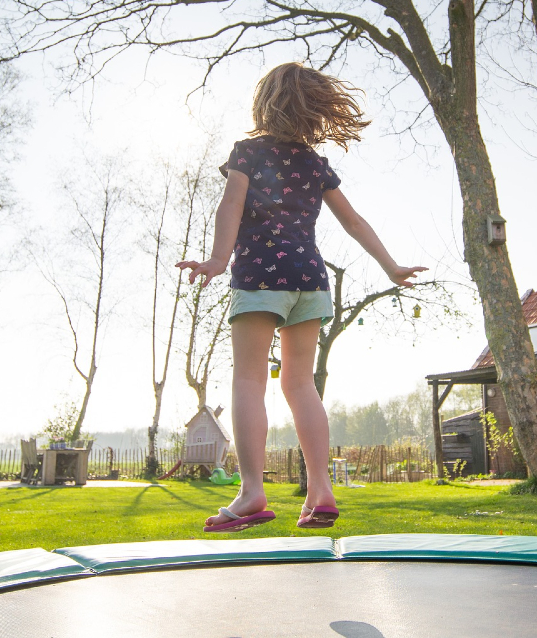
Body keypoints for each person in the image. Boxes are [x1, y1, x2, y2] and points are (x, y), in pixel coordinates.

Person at [176, 62, 426, 532]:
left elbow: (230, 204)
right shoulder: (316, 163)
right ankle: (320, 490)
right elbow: (354, 222)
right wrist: (390, 266)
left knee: (249, 381)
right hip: (310, 278)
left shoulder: (247, 153)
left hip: (260, 276)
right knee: (300, 384)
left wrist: (214, 260)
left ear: (265, 102)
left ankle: (252, 492)